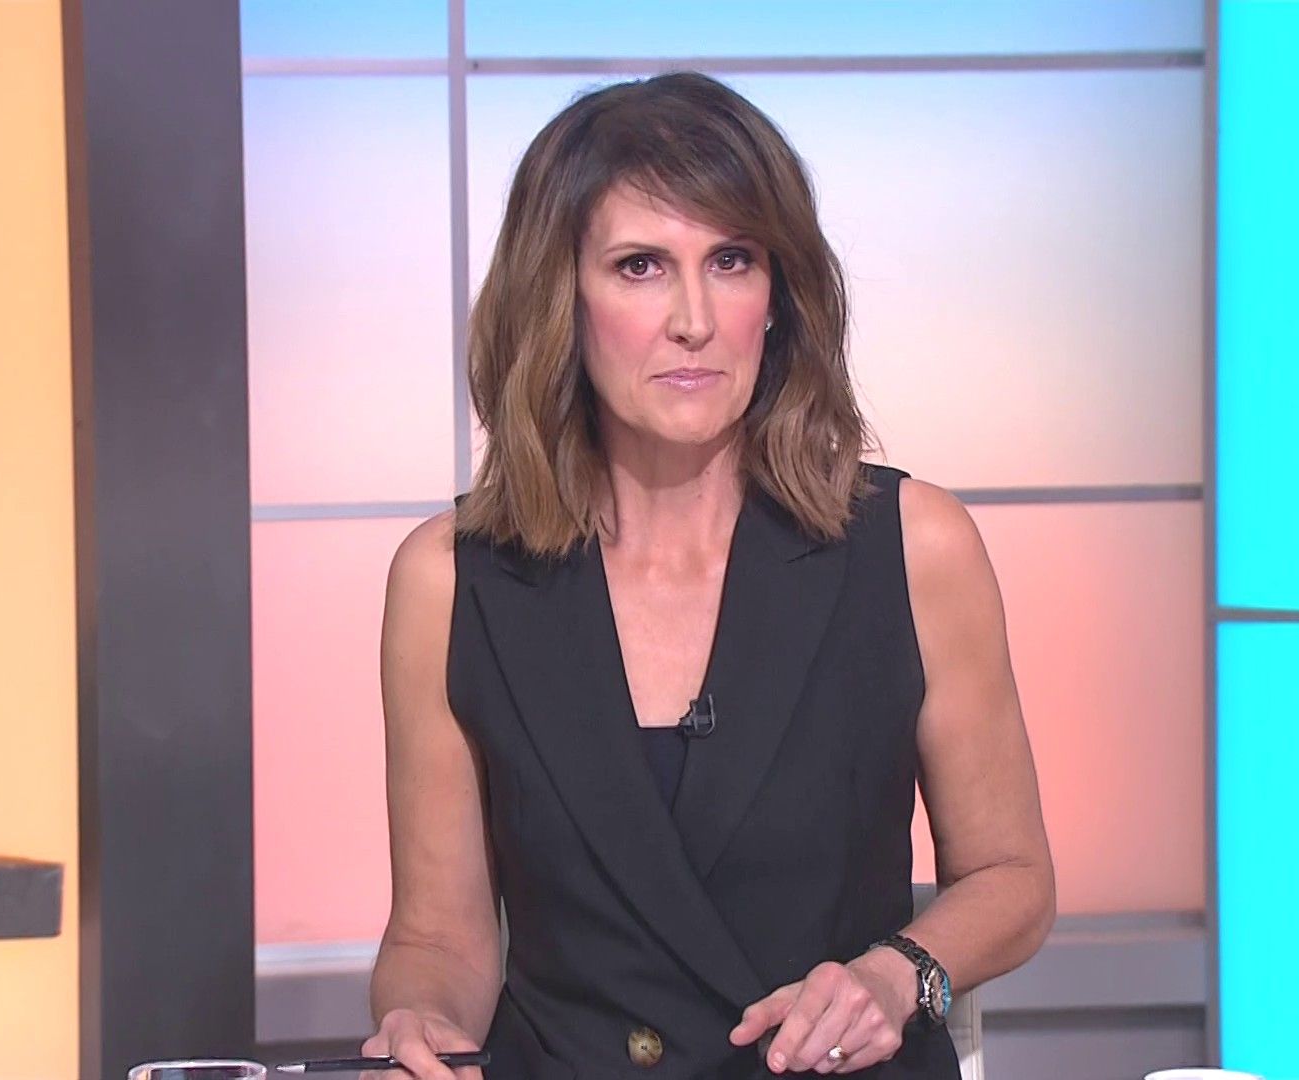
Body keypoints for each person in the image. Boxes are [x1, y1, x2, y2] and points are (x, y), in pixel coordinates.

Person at [364, 72, 1055, 1079]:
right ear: (560, 299)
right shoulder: (450, 582)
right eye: (640, 266)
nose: (693, 317)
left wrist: (899, 975)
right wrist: (420, 1024)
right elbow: (438, 937)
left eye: (731, 261)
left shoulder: (914, 545)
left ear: (778, 299)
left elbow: (1012, 876)